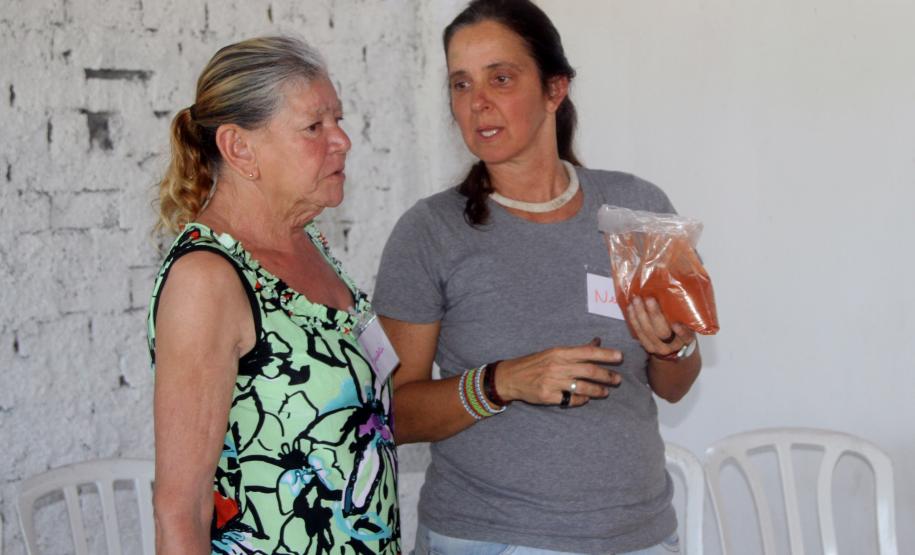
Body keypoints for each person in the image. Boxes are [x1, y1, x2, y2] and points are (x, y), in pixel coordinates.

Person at [373, 1, 701, 553]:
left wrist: (672, 348)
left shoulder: (638, 208)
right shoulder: (429, 232)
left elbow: (676, 385)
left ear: (555, 89)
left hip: (639, 536)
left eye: (500, 78)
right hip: (489, 538)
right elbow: (392, 415)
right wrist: (501, 382)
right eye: (460, 84)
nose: (477, 103)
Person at [148, 36, 399, 554]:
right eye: (315, 126)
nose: (342, 140)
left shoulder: (309, 245)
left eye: (339, 119)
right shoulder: (208, 279)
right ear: (240, 148)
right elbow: (181, 509)